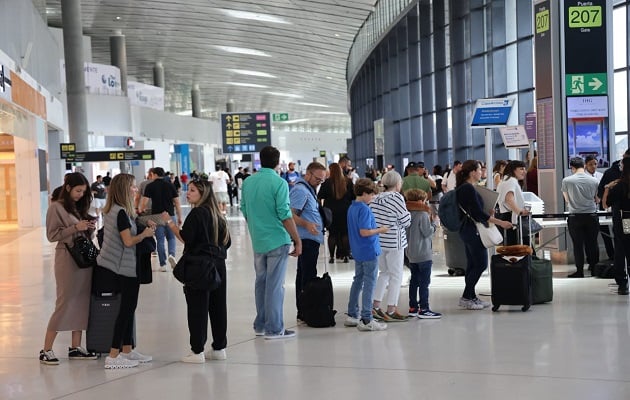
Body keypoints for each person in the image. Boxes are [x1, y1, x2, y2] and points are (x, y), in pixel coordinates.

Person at [161, 179, 232, 362]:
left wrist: (170, 222)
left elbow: (186, 238)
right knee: (218, 307)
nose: (188, 193)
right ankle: (219, 348)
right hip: (218, 265)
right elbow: (227, 242)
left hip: (200, 266)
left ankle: (197, 350)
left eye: (192, 190)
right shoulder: (218, 215)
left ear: (202, 194)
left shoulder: (197, 213)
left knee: (197, 308)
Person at [241, 146, 302, 339]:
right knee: (275, 285)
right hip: (277, 239)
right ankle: (274, 329)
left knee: (261, 283)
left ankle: (260, 324)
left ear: (260, 160)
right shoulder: (279, 183)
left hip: (258, 240)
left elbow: (244, 209)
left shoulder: (248, 182)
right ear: (277, 162)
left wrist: (256, 226)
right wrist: (297, 239)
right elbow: (285, 215)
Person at [97, 174, 156, 369]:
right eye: (132, 187)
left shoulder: (115, 211)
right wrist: (145, 234)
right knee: (125, 311)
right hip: (124, 268)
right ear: (124, 189)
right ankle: (113, 356)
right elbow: (128, 241)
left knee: (129, 310)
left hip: (119, 266)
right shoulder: (121, 213)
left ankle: (127, 350)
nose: (135, 190)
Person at [40, 172, 98, 365]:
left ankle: (75, 347)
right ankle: (46, 349)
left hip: (83, 260)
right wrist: (76, 228)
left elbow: (80, 230)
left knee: (82, 302)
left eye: (83, 191)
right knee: (64, 303)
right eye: (78, 190)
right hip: (67, 259)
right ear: (68, 188)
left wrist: (88, 227)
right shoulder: (56, 207)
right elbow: (52, 235)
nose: (81, 194)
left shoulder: (76, 207)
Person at [457, 160, 512, 310]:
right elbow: (478, 214)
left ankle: (470, 296)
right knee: (480, 264)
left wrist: (489, 213)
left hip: (467, 230)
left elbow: (476, 211)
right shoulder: (468, 189)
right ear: (472, 172)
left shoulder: (467, 188)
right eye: (480, 170)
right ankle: (467, 297)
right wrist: (500, 223)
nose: (482, 172)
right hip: (473, 230)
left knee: (472, 264)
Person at [343, 178, 389, 331]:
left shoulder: (352, 208)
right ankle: (366, 318)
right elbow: (364, 232)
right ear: (363, 193)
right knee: (370, 283)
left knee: (358, 280)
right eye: (371, 195)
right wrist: (380, 230)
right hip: (368, 250)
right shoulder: (364, 209)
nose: (373, 198)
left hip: (357, 250)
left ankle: (352, 314)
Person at [369, 171, 411, 321]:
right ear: (397, 184)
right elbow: (406, 220)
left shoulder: (375, 199)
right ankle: (392, 309)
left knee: (384, 273)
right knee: (396, 275)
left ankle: (375, 306)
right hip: (395, 241)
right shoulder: (397, 198)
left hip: (379, 240)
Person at [290, 162, 326, 322]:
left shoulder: (308, 190)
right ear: (308, 174)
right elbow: (290, 215)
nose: (319, 182)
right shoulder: (300, 191)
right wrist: (306, 224)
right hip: (306, 239)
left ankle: (304, 309)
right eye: (318, 179)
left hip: (311, 238)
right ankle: (306, 309)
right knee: (307, 275)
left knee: (304, 273)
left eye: (322, 180)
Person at [404, 188, 441, 319]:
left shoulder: (407, 214)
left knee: (414, 281)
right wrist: (434, 224)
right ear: (420, 201)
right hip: (423, 253)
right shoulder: (422, 214)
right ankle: (424, 308)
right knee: (425, 282)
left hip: (410, 253)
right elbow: (427, 232)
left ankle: (413, 307)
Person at [561, 157, 600, 278]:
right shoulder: (594, 181)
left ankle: (579, 271)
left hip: (575, 216)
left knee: (578, 245)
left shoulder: (567, 180)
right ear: (584, 166)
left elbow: (566, 199)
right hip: (591, 215)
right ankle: (594, 269)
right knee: (592, 243)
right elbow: (597, 199)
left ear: (572, 168)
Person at [139, 167, 182, 272]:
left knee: (160, 240)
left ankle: (163, 264)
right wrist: (180, 216)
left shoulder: (150, 186)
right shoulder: (170, 185)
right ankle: (171, 255)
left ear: (154, 174)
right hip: (170, 215)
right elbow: (176, 202)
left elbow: (144, 202)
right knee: (171, 238)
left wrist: (141, 210)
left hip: (157, 217)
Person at [601, 156, 630, 295]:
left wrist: (607, 188)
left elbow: (605, 204)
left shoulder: (619, 185)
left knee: (621, 248)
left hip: (624, 220)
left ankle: (622, 283)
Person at [318, 163, 355, 263]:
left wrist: (321, 209)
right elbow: (353, 197)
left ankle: (331, 257)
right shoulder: (348, 182)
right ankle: (346, 256)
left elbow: (319, 196)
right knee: (345, 234)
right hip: (345, 211)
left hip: (330, 212)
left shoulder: (326, 183)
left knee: (332, 235)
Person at [586, 154, 614, 260]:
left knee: (605, 232)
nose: (593, 166)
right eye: (590, 164)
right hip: (589, 208)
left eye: (595, 164)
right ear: (586, 165)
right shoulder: (584, 177)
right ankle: (592, 260)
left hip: (601, 207)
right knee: (591, 237)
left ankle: (612, 255)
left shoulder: (601, 175)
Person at [496, 160, 530, 246]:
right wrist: (520, 211)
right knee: (518, 249)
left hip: (507, 216)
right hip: (511, 218)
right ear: (513, 170)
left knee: (513, 248)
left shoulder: (506, 180)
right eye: (521, 169)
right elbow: (509, 199)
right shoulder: (511, 181)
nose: (524, 172)